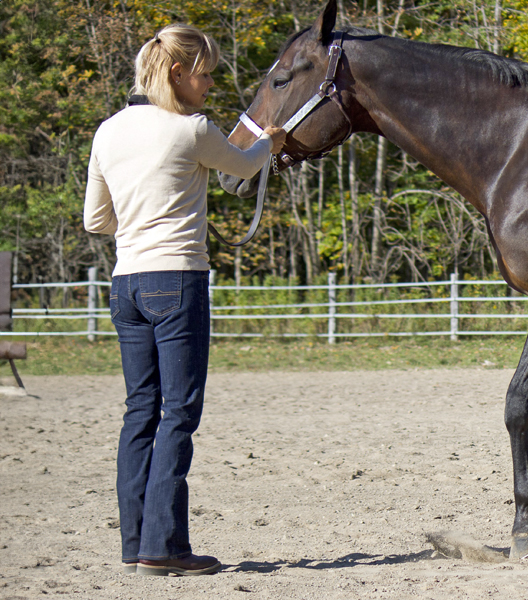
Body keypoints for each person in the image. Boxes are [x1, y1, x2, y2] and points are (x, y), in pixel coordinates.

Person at [83, 23, 285, 577]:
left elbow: (95, 221)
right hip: (177, 279)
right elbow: (243, 165)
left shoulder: (108, 132)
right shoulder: (190, 128)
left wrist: (144, 212)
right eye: (205, 74)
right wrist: (274, 141)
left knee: (140, 412)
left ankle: (135, 542)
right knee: (179, 413)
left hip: (126, 283)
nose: (209, 85)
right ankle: (165, 545)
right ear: (178, 73)